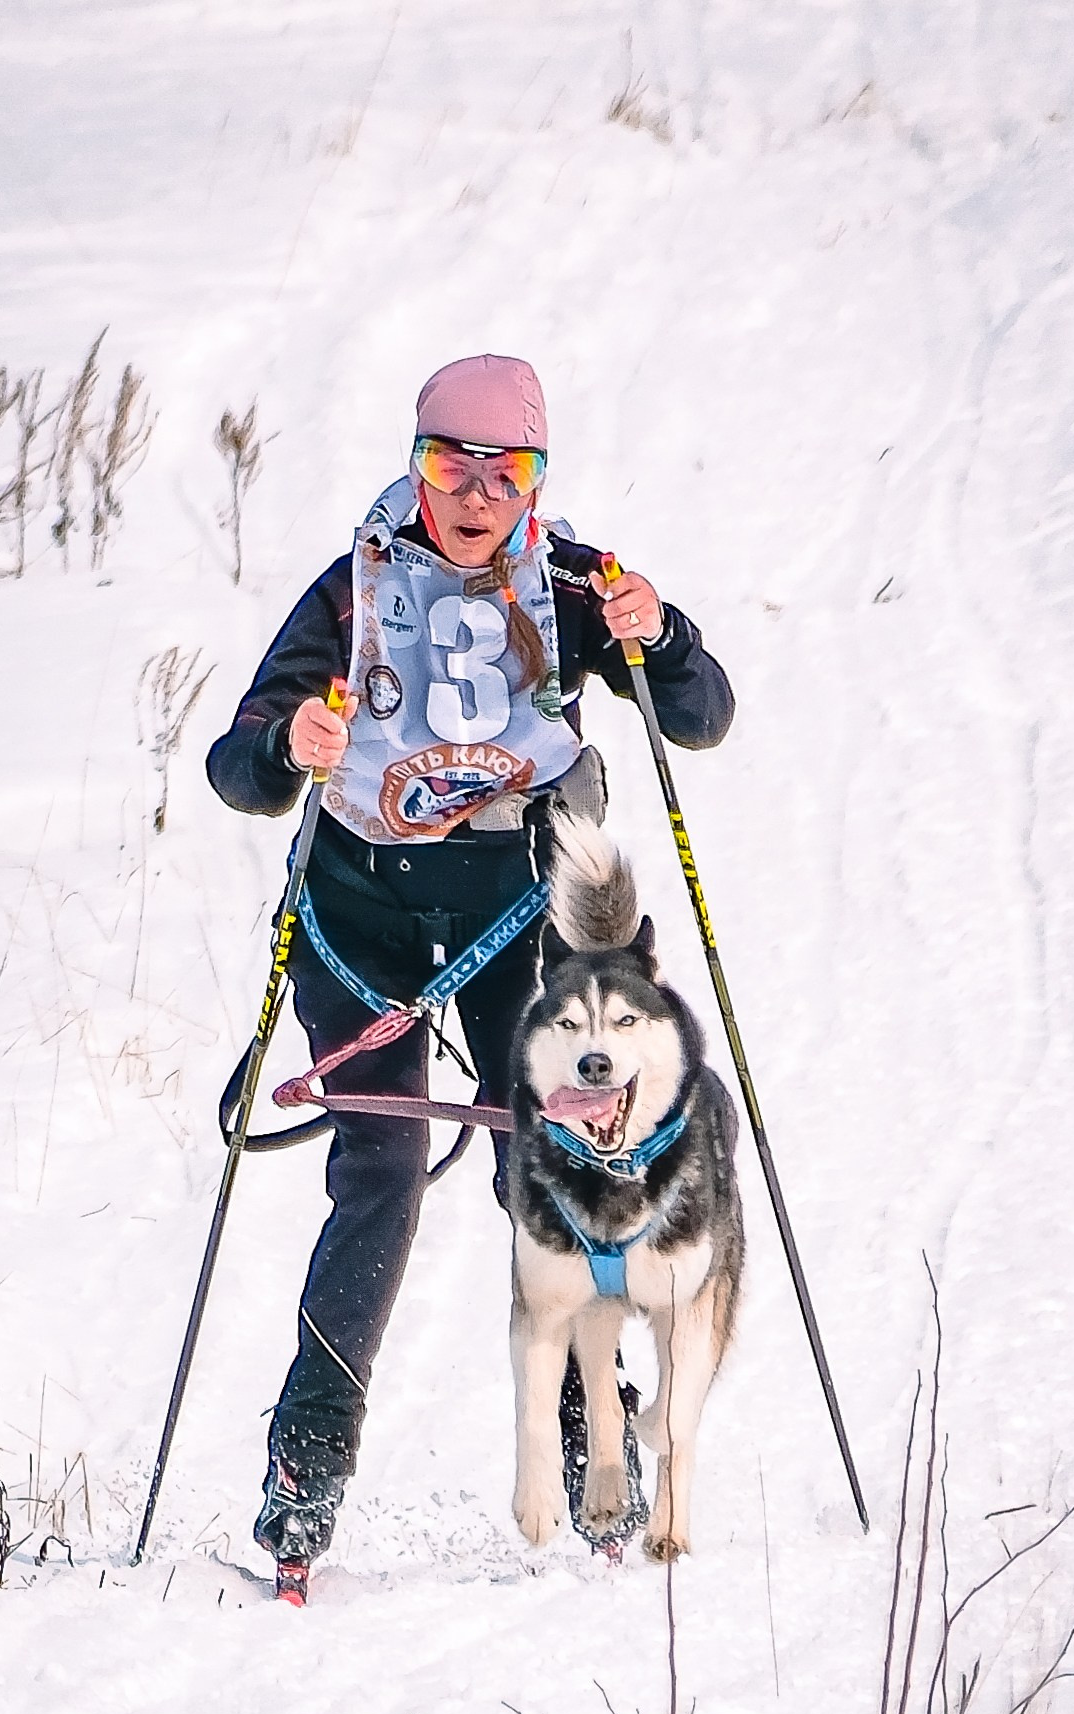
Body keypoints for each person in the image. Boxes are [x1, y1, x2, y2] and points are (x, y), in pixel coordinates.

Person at [207, 353, 734, 1599]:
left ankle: (593, 1447)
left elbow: (700, 713)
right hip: (357, 901)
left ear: (537, 479)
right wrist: (288, 741)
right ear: (416, 463)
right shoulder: (355, 588)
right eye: (453, 465)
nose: (478, 492)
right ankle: (304, 1469)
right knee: (378, 1167)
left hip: (514, 905)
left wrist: (657, 638)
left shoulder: (570, 583)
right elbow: (240, 770)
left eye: (508, 471)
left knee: (544, 1168)